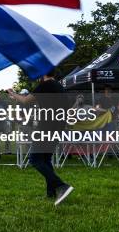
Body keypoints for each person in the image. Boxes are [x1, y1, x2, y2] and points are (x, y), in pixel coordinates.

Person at [7, 69, 74, 206]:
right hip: (58, 127)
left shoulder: (45, 85)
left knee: (35, 159)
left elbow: (26, 101)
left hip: (46, 127)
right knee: (45, 159)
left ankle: (62, 186)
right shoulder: (59, 87)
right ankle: (51, 193)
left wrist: (13, 94)